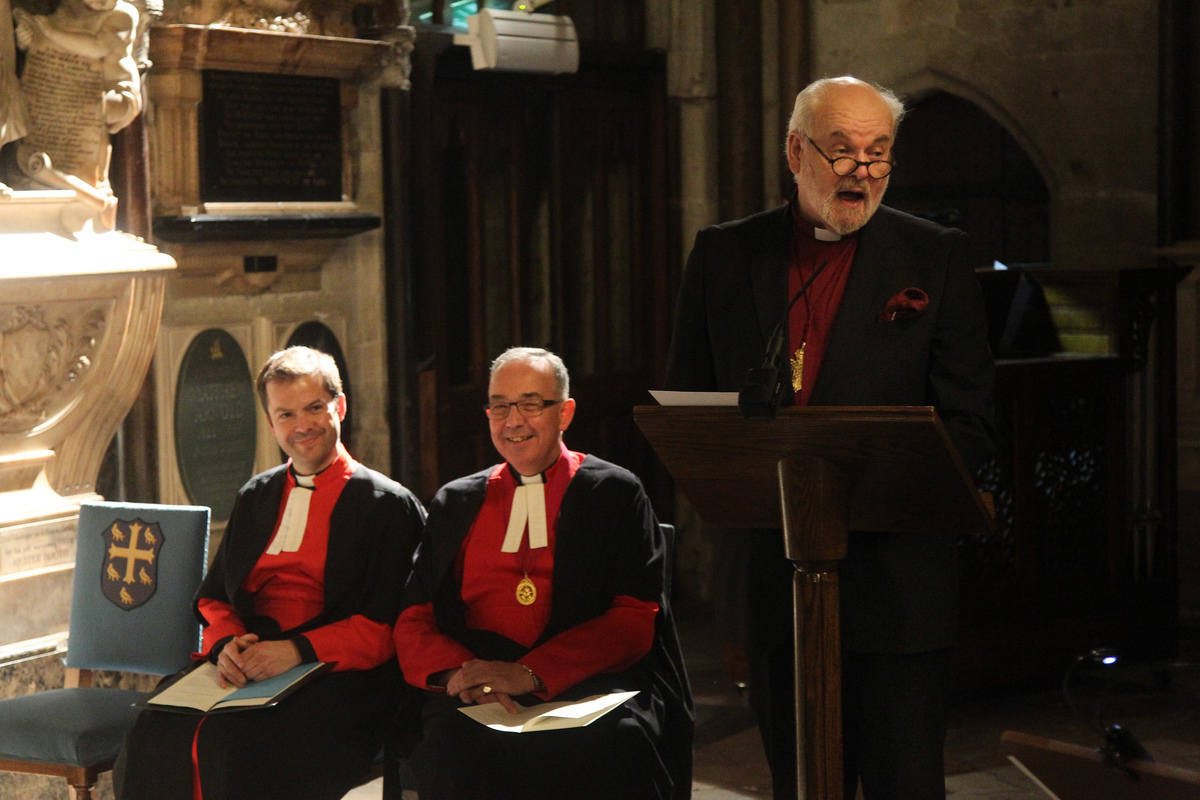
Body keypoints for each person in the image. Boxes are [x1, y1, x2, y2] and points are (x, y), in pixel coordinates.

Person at [664, 76, 997, 800]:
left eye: (879, 154)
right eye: (842, 151)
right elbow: (689, 411)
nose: (862, 172)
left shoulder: (933, 257)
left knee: (905, 786)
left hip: (898, 587)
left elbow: (971, 426)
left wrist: (871, 482)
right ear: (795, 150)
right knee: (800, 786)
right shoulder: (725, 256)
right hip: (775, 582)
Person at [114, 346, 426, 800]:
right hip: (249, 661)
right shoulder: (257, 495)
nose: (302, 427)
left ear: (340, 405)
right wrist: (226, 646)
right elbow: (215, 596)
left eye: (315, 408)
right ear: (270, 423)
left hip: (337, 674)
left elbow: (386, 627)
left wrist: (297, 650)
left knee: (239, 744)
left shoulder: (386, 506)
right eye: (286, 415)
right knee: (154, 729)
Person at [394, 347, 693, 800]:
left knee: (612, 745)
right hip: (480, 687)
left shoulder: (613, 491)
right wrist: (462, 676)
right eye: (500, 405)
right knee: (452, 748)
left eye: (531, 403)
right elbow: (414, 618)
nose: (513, 420)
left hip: (587, 680)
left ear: (565, 412)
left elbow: (634, 618)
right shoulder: (456, 501)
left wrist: (532, 673)